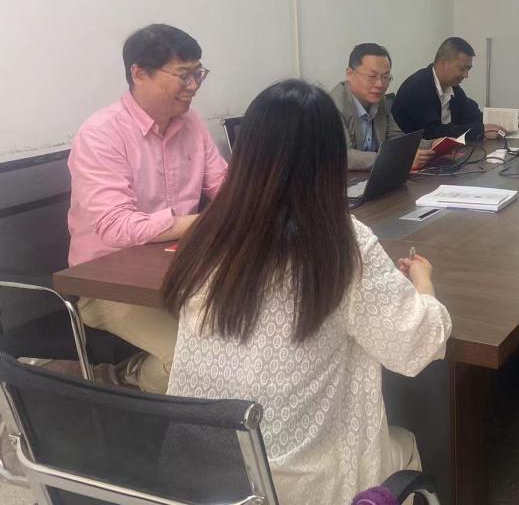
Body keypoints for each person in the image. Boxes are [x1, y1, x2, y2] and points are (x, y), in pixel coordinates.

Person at [163, 79, 451, 505]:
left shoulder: (208, 233)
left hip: (197, 474)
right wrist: (424, 284)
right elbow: (416, 346)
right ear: (330, 160)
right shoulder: (340, 242)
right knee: (404, 442)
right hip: (295, 483)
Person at [67, 24, 226, 393]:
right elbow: (117, 226)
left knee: (244, 335)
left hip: (178, 270)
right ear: (139, 74)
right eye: (183, 75)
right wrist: (206, 222)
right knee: (193, 361)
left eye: (198, 73)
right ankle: (128, 380)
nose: (194, 86)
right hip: (109, 285)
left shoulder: (192, 124)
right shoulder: (101, 134)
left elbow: (224, 186)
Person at [329, 42, 433, 171]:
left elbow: (395, 139)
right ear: (350, 74)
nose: (380, 84)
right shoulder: (332, 106)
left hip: (374, 177)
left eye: (386, 77)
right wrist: (398, 159)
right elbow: (344, 156)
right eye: (372, 76)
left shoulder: (380, 101)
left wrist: (432, 144)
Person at [391, 37, 504, 141]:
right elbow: (431, 133)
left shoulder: (452, 87)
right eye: (462, 69)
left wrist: (501, 121)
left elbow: (471, 114)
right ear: (443, 63)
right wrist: (480, 130)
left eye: (468, 69)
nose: (466, 75)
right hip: (415, 152)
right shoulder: (417, 87)